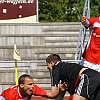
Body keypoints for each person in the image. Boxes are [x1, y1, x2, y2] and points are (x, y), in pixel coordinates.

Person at [0, 74, 67, 100]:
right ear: (21, 85)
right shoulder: (11, 94)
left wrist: (60, 90)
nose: (32, 86)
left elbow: (51, 95)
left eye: (33, 84)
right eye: (30, 84)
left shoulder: (33, 88)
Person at [81, 4, 100, 72]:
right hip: (89, 59)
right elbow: (87, 23)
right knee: (83, 78)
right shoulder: (95, 21)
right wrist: (84, 21)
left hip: (99, 61)